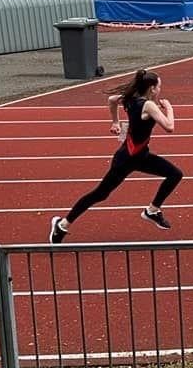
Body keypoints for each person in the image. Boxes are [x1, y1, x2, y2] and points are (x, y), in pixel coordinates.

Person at [49, 69, 183, 244]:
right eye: (159, 86)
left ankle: (152, 211)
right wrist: (170, 108)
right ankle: (62, 225)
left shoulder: (131, 98)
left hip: (140, 156)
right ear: (152, 88)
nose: (160, 90)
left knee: (175, 174)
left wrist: (114, 121)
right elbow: (169, 127)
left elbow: (112, 100)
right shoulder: (148, 105)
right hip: (126, 160)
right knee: (100, 194)